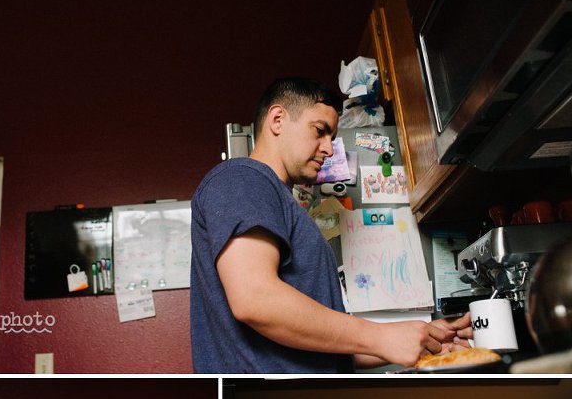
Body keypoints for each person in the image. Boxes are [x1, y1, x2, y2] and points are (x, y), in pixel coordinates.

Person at [190, 77, 472, 373]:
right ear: (277, 120)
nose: (328, 149)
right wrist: (380, 336)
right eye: (320, 131)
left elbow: (328, 349)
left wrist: (425, 343)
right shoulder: (244, 178)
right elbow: (256, 298)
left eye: (333, 138)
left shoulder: (278, 202)